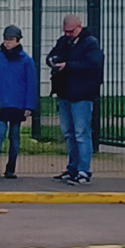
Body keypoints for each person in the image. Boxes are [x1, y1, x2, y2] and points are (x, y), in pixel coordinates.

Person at [47, 14, 104, 185]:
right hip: (64, 93)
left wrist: (68, 65)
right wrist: (53, 61)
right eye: (65, 31)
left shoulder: (90, 43)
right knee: (69, 134)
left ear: (79, 27)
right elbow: (52, 55)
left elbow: (93, 65)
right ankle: (72, 168)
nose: (67, 34)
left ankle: (83, 170)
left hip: (81, 94)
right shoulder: (64, 41)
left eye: (70, 31)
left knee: (81, 133)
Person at [0, 25, 36, 180]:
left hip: (18, 105)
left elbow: (31, 84)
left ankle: (10, 168)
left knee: (14, 136)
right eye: (6, 39)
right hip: (1, 104)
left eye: (11, 40)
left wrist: (29, 106)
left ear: (18, 41)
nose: (7, 43)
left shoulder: (26, 61)